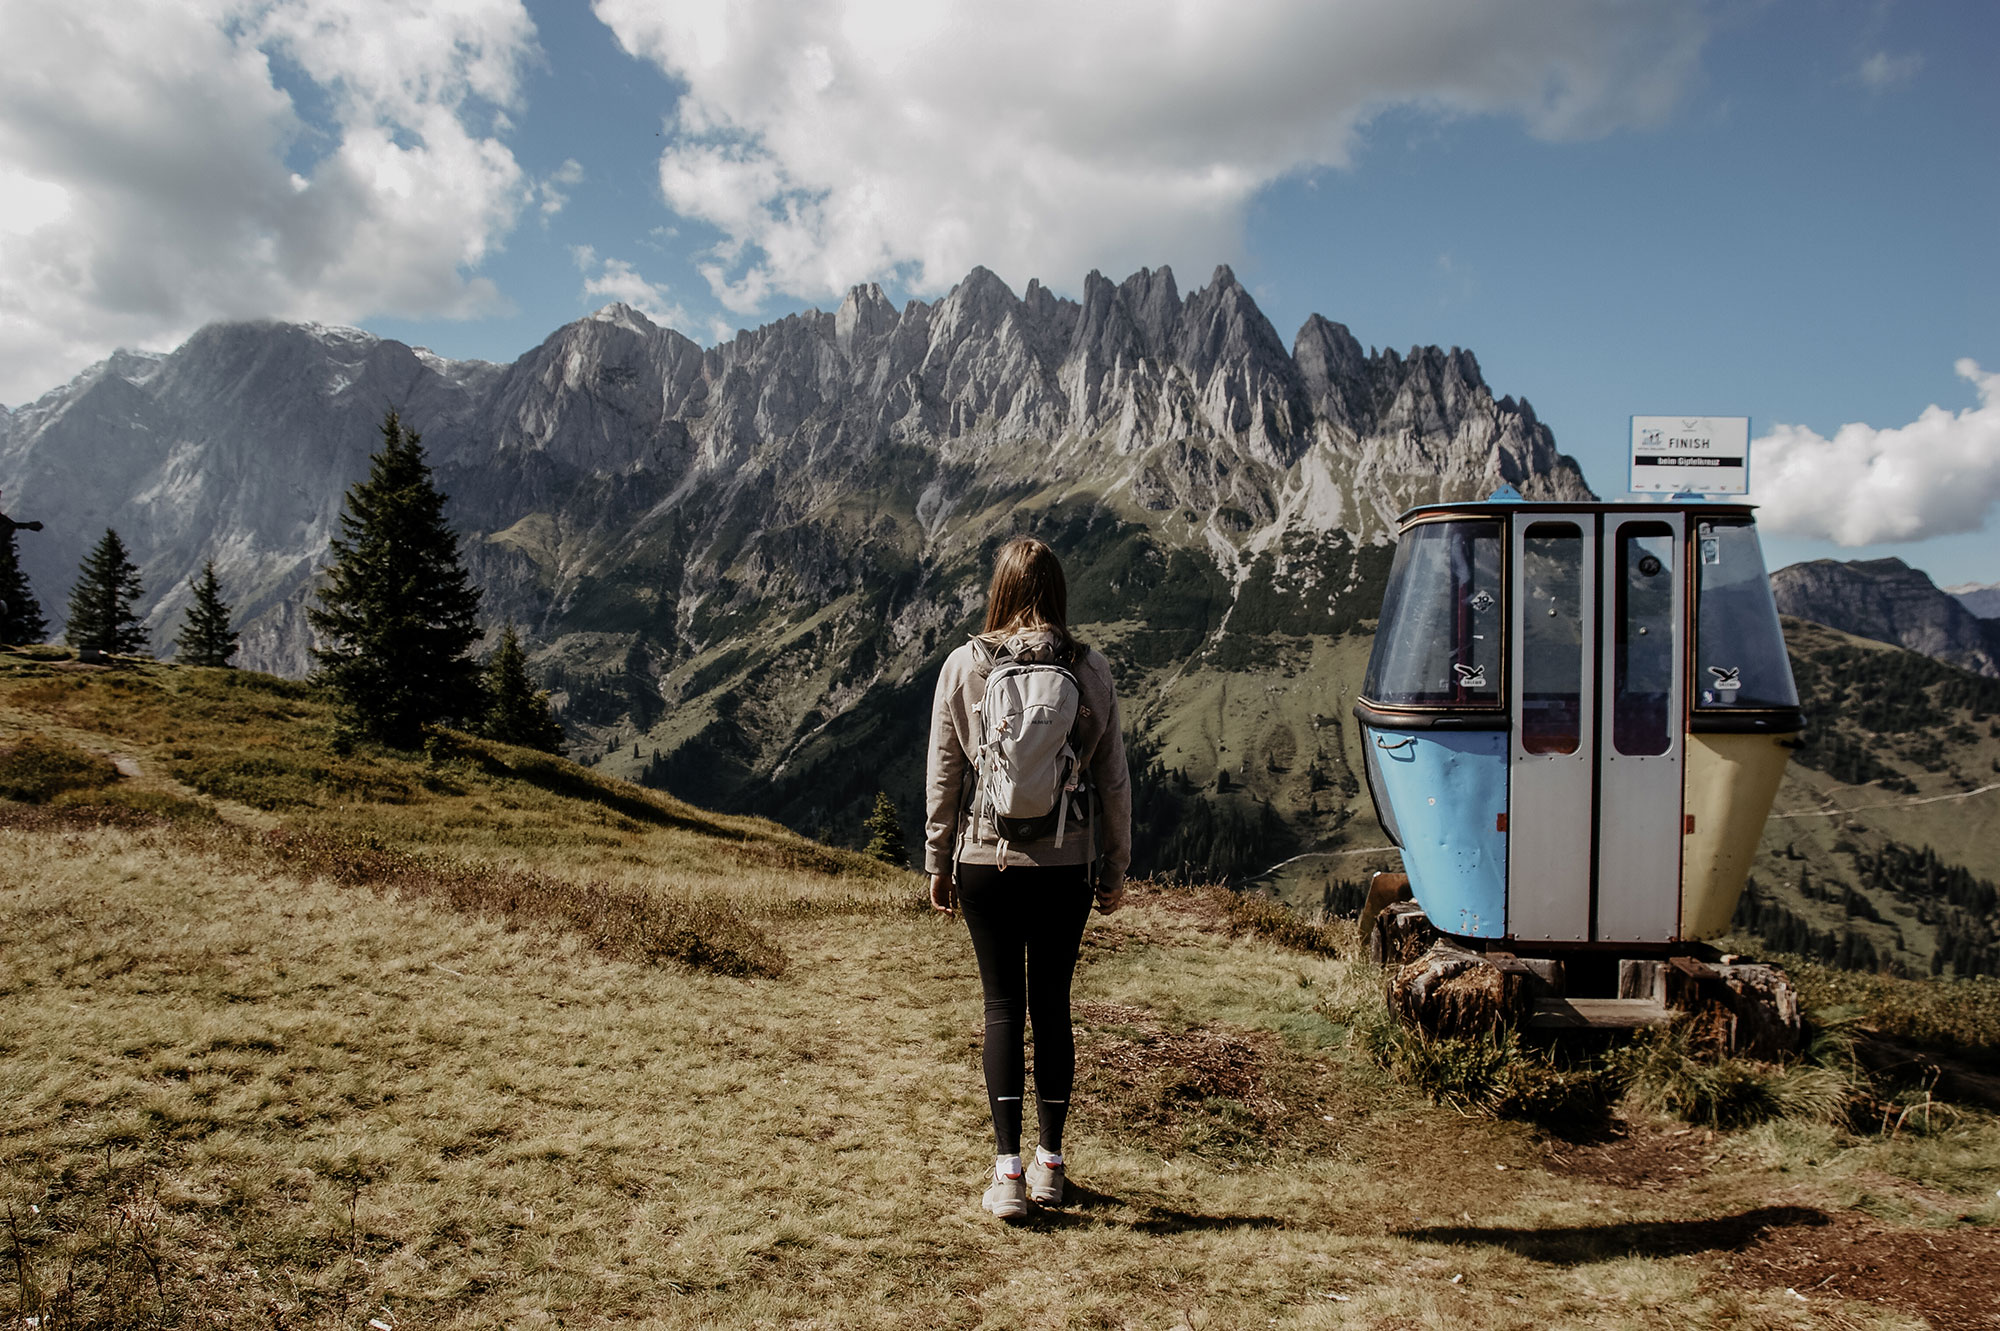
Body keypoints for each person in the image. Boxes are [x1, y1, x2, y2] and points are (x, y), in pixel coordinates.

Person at [924, 535, 1132, 1221]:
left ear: (1000, 591)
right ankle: (1051, 1166)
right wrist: (1115, 868)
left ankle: (1006, 1172)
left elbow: (945, 773)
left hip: (986, 862)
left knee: (1001, 1009)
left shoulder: (963, 665)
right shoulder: (1091, 668)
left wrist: (938, 859)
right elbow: (1114, 783)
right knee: (1053, 1005)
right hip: (1066, 863)